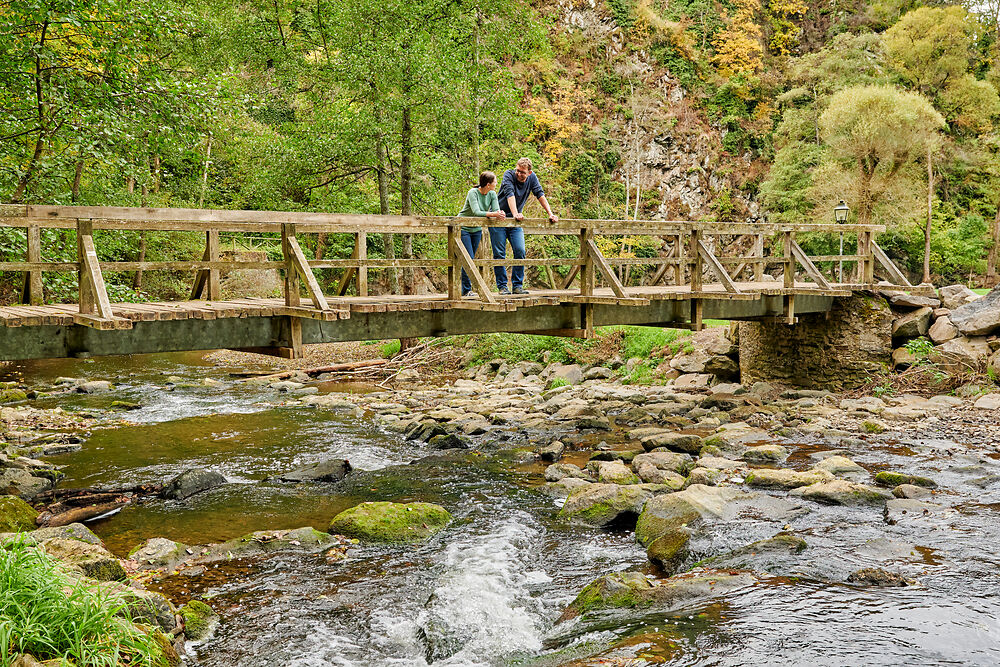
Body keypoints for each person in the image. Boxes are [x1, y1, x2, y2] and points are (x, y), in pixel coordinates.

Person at [492, 157, 558, 294]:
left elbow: (540, 194)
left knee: (520, 250)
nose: (519, 174)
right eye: (518, 170)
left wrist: (551, 213)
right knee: (499, 254)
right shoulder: (508, 175)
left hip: (516, 222)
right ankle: (502, 286)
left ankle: (517, 286)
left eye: (522, 172)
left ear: (529, 172)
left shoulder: (532, 178)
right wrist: (515, 213)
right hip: (499, 218)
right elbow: (510, 194)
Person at [457, 171, 506, 298]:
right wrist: (494, 214)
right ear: (488, 184)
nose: (496, 184)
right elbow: (476, 212)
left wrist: (499, 213)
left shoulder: (492, 194)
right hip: (464, 227)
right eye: (495, 182)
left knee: (472, 259)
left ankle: (468, 289)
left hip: (476, 229)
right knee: (468, 258)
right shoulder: (472, 193)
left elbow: (495, 210)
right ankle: (466, 290)